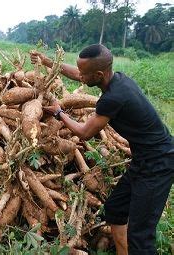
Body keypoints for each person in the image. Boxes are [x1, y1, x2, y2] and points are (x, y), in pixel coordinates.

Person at [30, 44, 173, 255]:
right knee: (115, 209)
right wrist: (49, 62)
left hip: (159, 164)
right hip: (144, 160)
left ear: (98, 74)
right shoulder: (117, 79)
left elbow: (85, 133)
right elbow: (79, 75)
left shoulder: (113, 98)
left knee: (140, 237)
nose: (79, 76)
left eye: (83, 73)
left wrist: (60, 114)